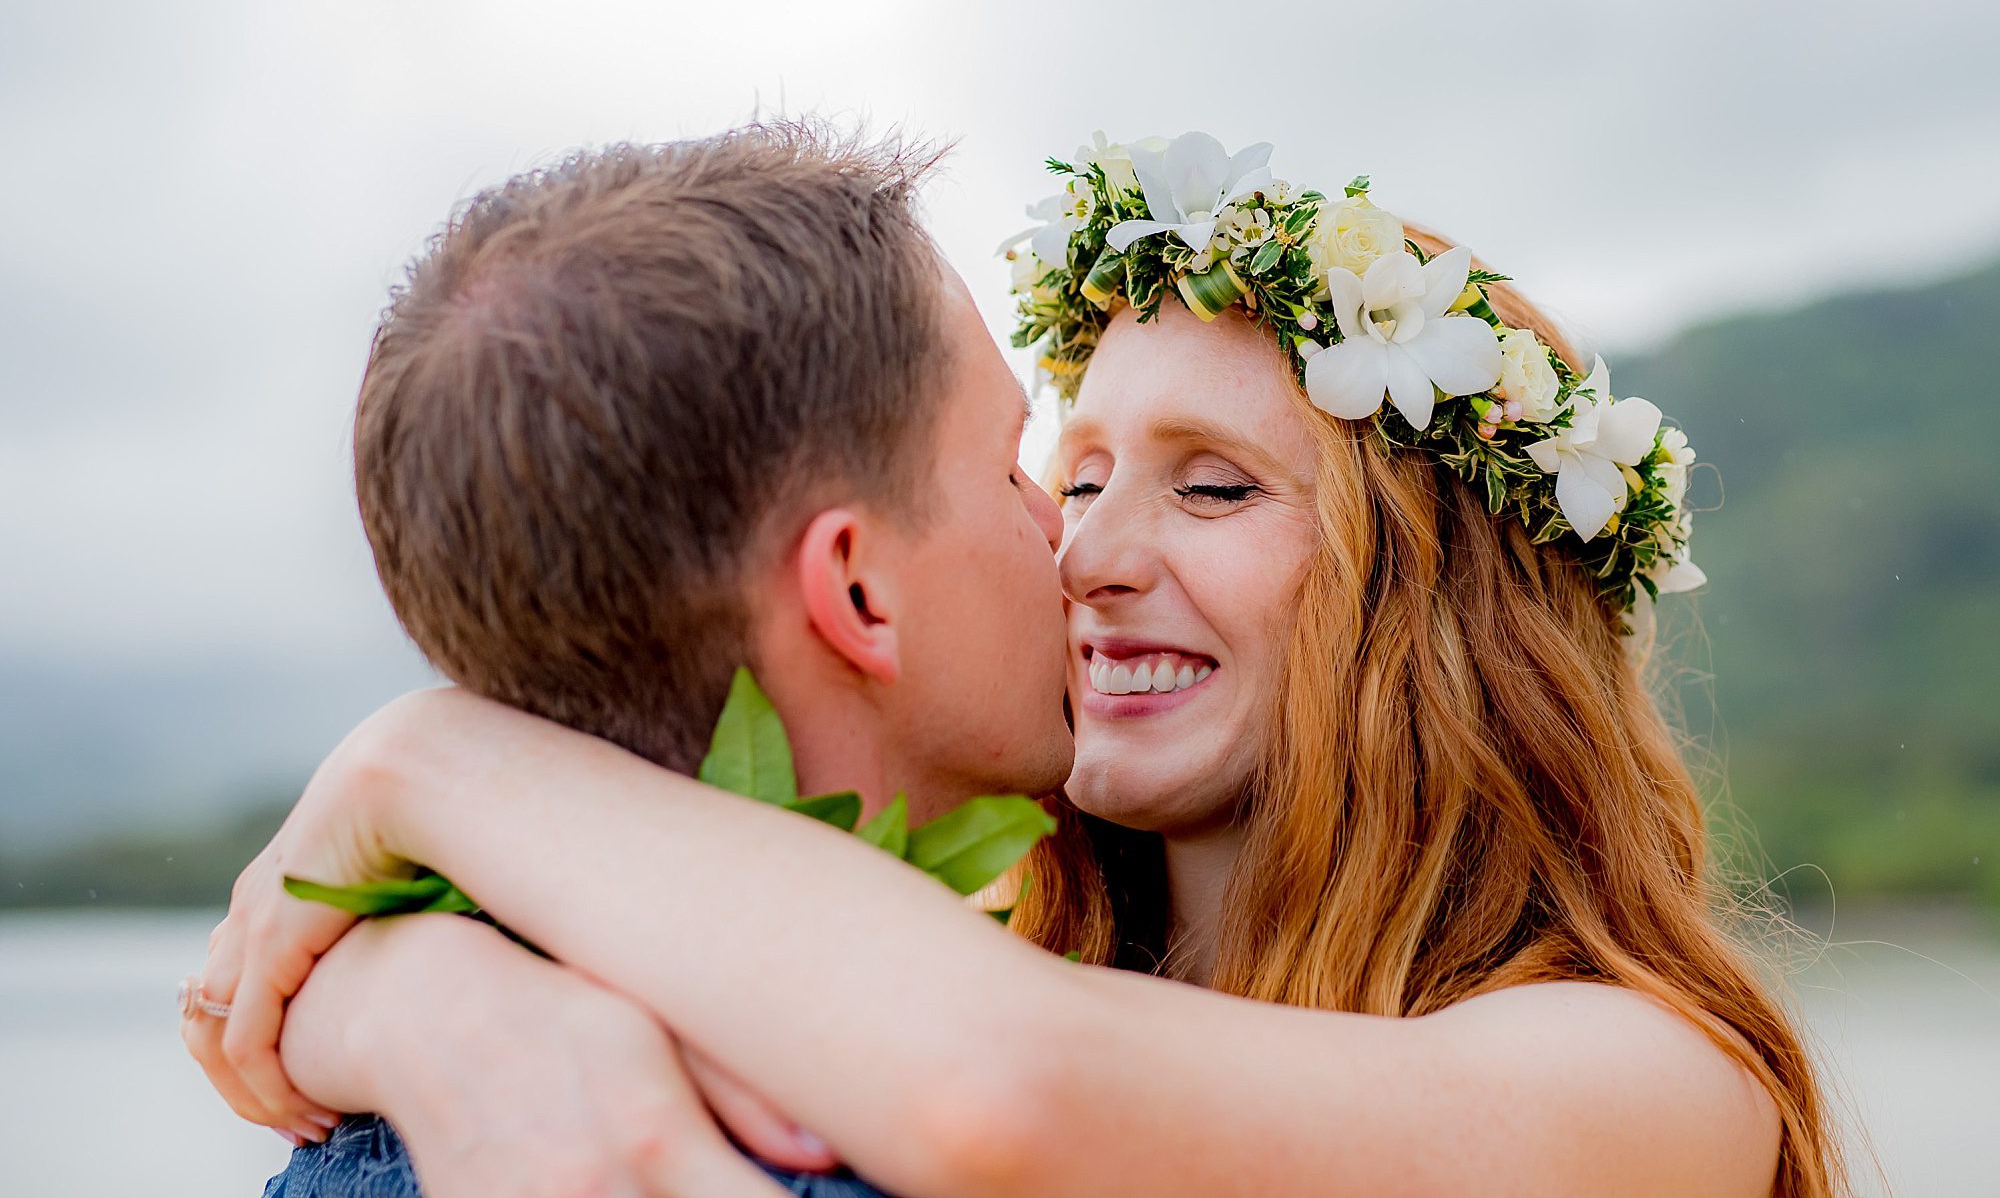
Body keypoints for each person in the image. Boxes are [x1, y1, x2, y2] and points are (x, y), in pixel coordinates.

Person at [194, 130, 1847, 1196]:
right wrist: (432, 996)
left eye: (1213, 485)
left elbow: (1005, 1076)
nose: (1086, 549)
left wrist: (434, 757)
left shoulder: (1649, 1084)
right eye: (1062, 475)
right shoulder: (889, 985)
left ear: (1439, 604)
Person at [185, 123, 1073, 1196]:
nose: (1059, 521)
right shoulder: (897, 1148)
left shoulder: (356, 1137)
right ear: (854, 590)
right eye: (1007, 465)